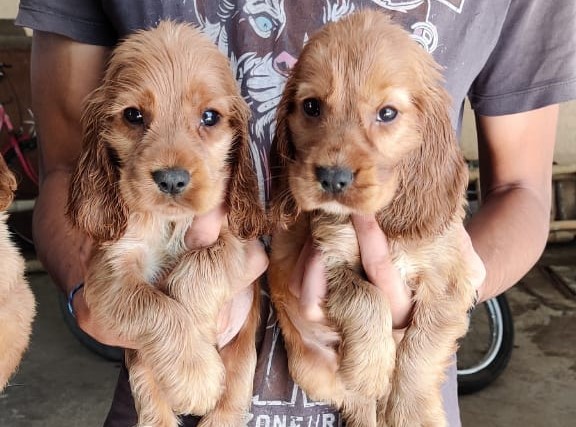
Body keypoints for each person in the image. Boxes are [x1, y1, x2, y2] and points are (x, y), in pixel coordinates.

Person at [15, 1, 576, 426]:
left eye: (385, 113)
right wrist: (100, 298)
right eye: (311, 108)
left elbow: (523, 189)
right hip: (170, 398)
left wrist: (429, 302)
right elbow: (67, 166)